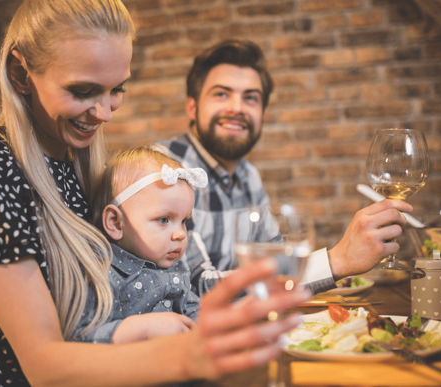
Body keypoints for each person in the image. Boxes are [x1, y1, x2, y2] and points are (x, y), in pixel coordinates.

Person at [0, 2, 310, 386]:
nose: (104, 112)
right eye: (83, 91)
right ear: (21, 74)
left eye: (117, 89)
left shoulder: (80, 163)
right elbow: (45, 368)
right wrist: (187, 354)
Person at [154, 39, 413, 296]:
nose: (237, 108)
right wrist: (337, 260)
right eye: (222, 94)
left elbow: (274, 263)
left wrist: (324, 268)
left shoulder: (248, 175)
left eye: (251, 98)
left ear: (262, 114)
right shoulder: (165, 169)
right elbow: (192, 288)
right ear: (192, 106)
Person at [78, 147, 207, 343]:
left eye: (184, 221)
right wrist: (141, 328)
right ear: (115, 223)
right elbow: (81, 337)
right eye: (164, 220)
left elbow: (191, 307)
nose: (181, 233)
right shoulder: (102, 275)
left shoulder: (174, 268)